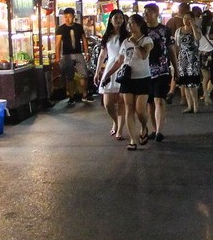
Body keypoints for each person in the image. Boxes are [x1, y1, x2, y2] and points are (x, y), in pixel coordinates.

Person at [99, 13, 153, 150]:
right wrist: (107, 75)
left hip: (143, 78)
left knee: (140, 110)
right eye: (128, 23)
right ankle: (133, 141)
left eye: (132, 23)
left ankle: (144, 127)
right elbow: (119, 61)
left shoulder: (147, 40)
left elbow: (143, 55)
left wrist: (135, 42)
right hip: (127, 79)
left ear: (139, 25)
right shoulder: (125, 42)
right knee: (129, 108)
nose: (128, 25)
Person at [142, 3, 173, 141]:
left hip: (162, 70)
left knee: (159, 99)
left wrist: (176, 69)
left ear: (156, 13)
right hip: (145, 71)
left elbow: (171, 50)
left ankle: (159, 131)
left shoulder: (165, 30)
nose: (146, 15)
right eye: (145, 13)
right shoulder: (142, 31)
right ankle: (154, 130)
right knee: (150, 103)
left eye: (149, 12)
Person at [96, 10, 130, 139]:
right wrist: (97, 71)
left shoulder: (127, 36)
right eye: (116, 18)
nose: (119, 20)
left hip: (124, 68)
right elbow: (102, 55)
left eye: (121, 18)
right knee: (108, 103)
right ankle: (115, 122)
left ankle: (120, 129)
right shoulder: (107, 36)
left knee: (122, 102)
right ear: (110, 20)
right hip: (110, 68)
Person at [56, 8, 90, 106]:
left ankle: (85, 94)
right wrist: (58, 56)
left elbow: (84, 40)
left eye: (69, 16)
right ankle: (71, 97)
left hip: (78, 53)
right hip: (66, 55)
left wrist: (86, 52)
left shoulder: (79, 27)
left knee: (84, 74)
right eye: (65, 17)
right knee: (69, 77)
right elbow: (58, 43)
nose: (67, 19)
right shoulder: (61, 28)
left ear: (73, 17)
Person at [174, 8, 204, 114]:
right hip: (182, 59)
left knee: (193, 83)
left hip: (193, 59)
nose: (186, 20)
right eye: (185, 18)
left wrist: (193, 26)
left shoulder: (196, 30)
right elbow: (177, 46)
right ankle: (189, 105)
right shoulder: (179, 31)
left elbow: (197, 38)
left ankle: (196, 105)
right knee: (185, 83)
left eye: (189, 19)